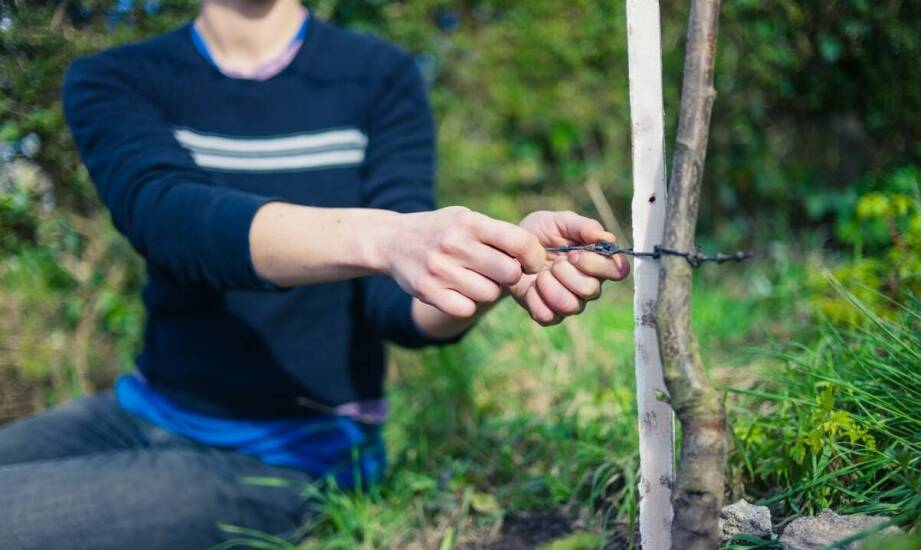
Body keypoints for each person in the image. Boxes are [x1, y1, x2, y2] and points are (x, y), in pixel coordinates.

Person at [0, 1, 630, 548]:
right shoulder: (112, 78)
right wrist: (387, 237)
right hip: (142, 410)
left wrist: (492, 268)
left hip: (298, 456)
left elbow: (397, 307)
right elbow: (169, 218)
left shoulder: (378, 77)